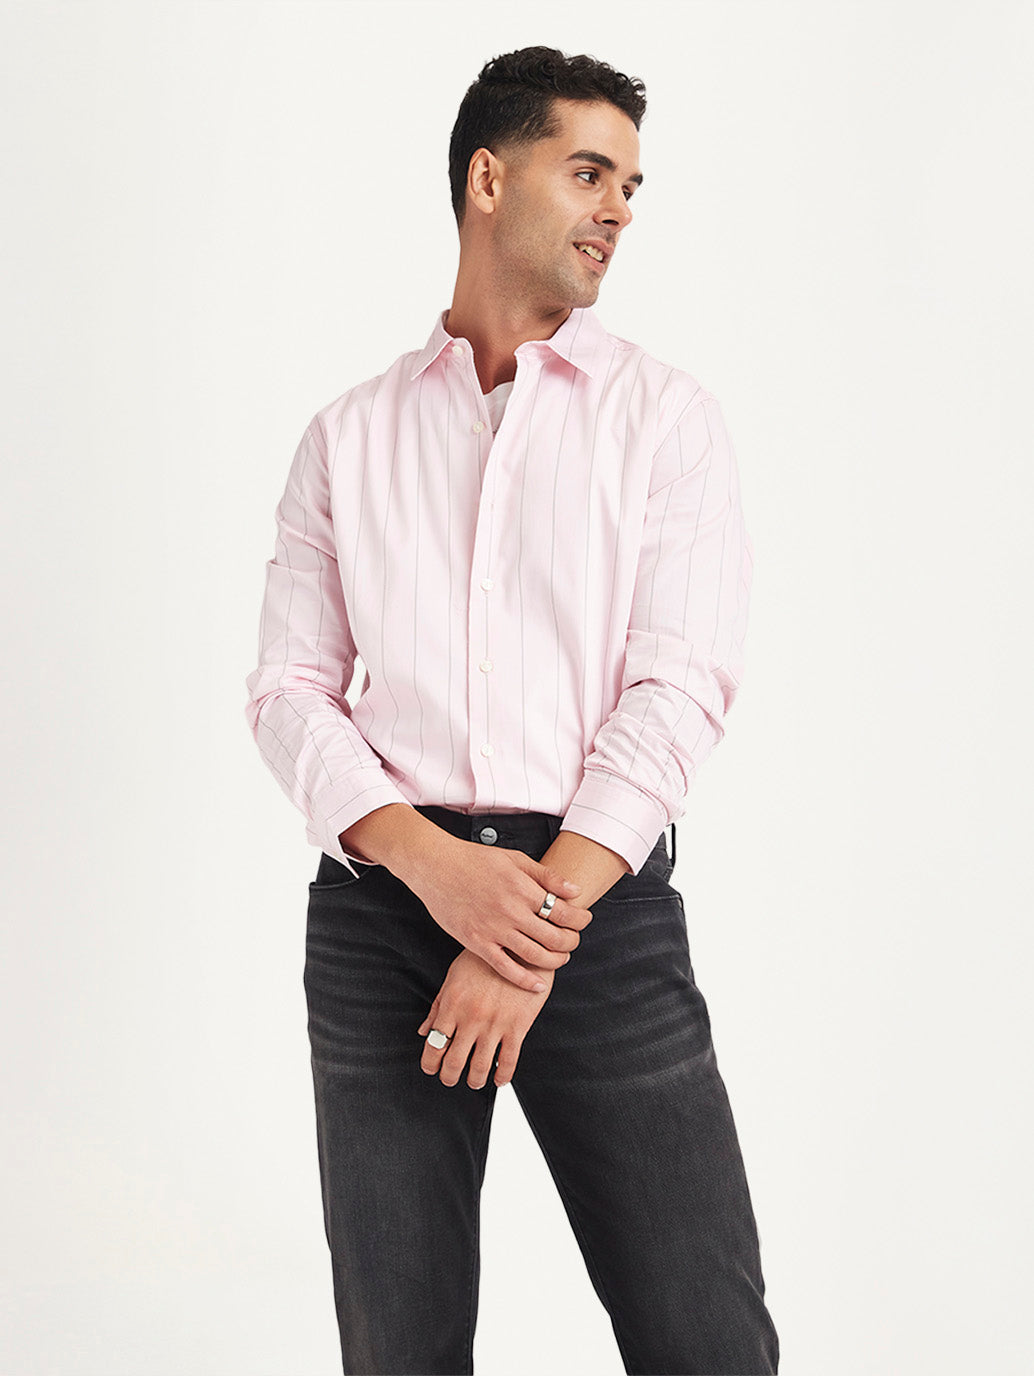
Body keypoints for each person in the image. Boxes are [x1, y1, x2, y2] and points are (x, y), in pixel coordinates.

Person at [244, 44, 779, 1376]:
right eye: (588, 173)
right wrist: (436, 870)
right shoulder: (347, 438)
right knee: (398, 1348)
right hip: (382, 917)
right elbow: (288, 690)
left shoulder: (664, 421)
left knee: (705, 1338)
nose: (619, 211)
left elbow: (677, 690)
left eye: (632, 186)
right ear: (489, 179)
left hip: (596, 909)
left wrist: (522, 930)